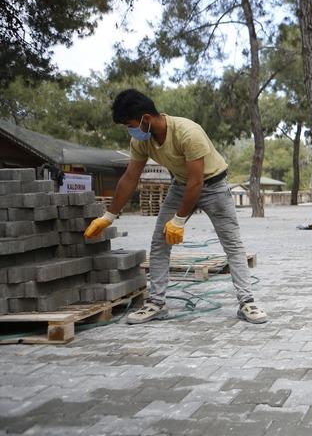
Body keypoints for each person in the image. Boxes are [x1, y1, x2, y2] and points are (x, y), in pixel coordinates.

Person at [84, 89, 267, 325]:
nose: (129, 130)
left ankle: (247, 302)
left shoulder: (188, 133)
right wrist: (108, 216)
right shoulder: (141, 141)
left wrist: (179, 221)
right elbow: (130, 177)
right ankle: (157, 304)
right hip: (181, 185)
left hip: (213, 185)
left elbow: (197, 182)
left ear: (146, 119)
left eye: (130, 125)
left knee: (232, 244)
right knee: (159, 243)